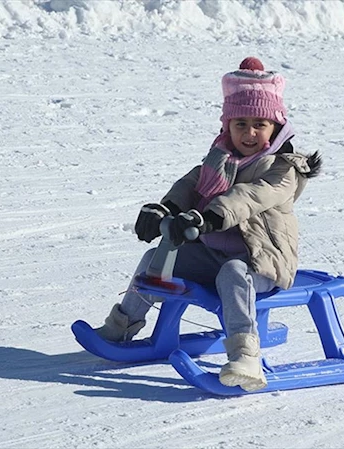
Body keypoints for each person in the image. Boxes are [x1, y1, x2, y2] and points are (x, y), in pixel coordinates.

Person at [95, 57, 321, 391]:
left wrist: (210, 216)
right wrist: (165, 209)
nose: (249, 132)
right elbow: (190, 183)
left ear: (275, 126)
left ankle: (246, 356)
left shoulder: (283, 169)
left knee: (233, 274)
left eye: (259, 124)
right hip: (211, 254)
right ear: (227, 125)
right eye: (240, 123)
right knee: (157, 260)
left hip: (262, 261)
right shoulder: (220, 158)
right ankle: (122, 325)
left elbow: (251, 196)